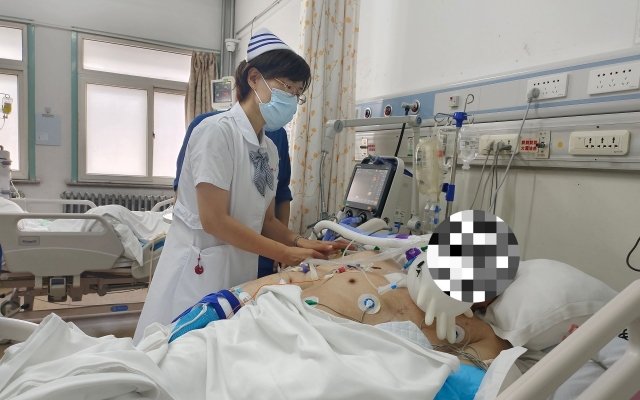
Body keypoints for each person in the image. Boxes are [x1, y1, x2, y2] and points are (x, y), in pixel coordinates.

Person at [134, 29, 342, 344]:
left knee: (223, 353)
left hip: (239, 271)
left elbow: (267, 220)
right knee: (179, 353)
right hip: (197, 272)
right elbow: (214, 220)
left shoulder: (268, 150)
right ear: (254, 78)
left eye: (298, 93)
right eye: (287, 87)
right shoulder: (216, 132)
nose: (292, 100)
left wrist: (304, 244)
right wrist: (285, 253)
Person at [165, 250, 511, 400]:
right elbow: (291, 277)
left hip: (329, 360)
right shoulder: (376, 262)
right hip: (274, 321)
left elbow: (479, 374)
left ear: (485, 297)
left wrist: (405, 349)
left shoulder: (474, 329)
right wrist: (226, 301)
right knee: (174, 372)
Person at [174, 117, 293, 279]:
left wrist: (295, 243)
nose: (293, 105)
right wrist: (285, 251)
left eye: (298, 100)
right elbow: (210, 218)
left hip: (254, 253)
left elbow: (270, 215)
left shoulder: (271, 146)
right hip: (205, 258)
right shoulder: (213, 129)